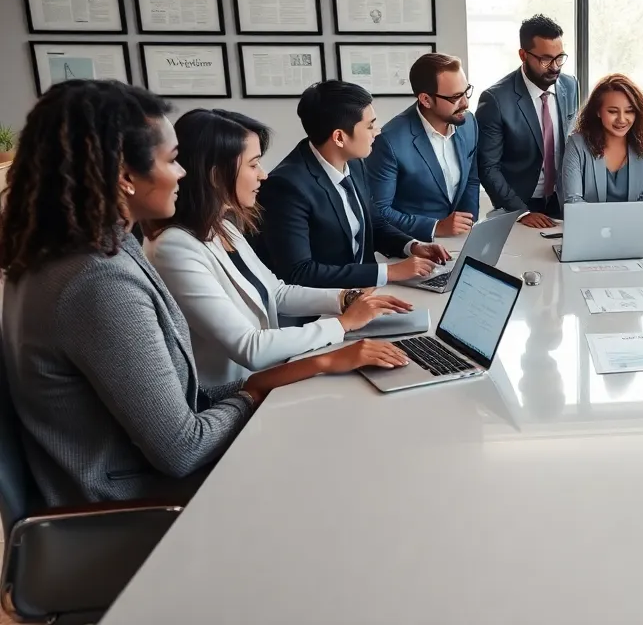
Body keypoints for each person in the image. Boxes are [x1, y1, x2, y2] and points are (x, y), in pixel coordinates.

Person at [0, 80, 409, 507]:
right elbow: (183, 448)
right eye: (173, 160)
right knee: (343, 469)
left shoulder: (91, 252)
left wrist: (299, 367)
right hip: (133, 501)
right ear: (125, 177)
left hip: (142, 474)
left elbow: (182, 397)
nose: (182, 173)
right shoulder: (98, 281)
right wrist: (265, 385)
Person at [145, 108, 415, 386]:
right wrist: (343, 324)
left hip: (266, 379)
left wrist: (345, 299)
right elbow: (249, 347)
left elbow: (278, 292)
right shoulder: (174, 248)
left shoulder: (221, 226)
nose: (263, 175)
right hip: (231, 397)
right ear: (216, 176)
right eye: (253, 165)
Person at [251, 80, 450, 290]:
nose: (377, 131)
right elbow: (299, 271)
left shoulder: (354, 163)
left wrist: (413, 246)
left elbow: (375, 224)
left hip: (365, 291)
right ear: (339, 137)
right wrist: (389, 271)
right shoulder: (286, 187)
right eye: (370, 125)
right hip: (324, 308)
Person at [476, 14, 580, 229]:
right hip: (519, 205)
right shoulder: (496, 100)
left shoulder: (570, 86)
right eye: (545, 59)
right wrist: (521, 212)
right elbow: (488, 167)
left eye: (559, 57)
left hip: (564, 201)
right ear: (523, 55)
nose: (554, 67)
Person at [366, 53, 481, 241]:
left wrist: (469, 227)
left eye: (466, 91)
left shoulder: (468, 123)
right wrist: (436, 227)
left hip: (459, 241)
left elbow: (471, 180)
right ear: (426, 100)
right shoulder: (389, 141)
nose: (466, 103)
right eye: (455, 97)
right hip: (411, 244)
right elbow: (378, 211)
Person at [562, 73, 643, 206]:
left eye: (629, 111)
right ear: (598, 111)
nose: (622, 119)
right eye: (613, 111)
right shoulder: (577, 144)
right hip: (589, 226)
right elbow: (573, 200)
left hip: (631, 227)